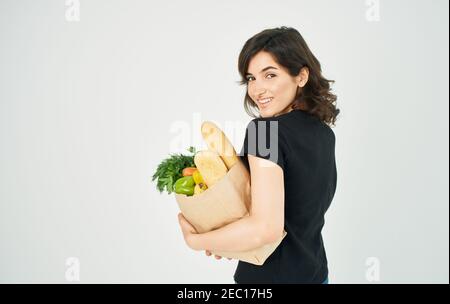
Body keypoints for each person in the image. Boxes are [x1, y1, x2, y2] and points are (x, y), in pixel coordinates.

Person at [178, 26, 339, 284]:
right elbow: (293, 216)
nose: (257, 90)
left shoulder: (264, 132)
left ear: (301, 76)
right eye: (251, 78)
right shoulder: (323, 133)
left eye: (270, 75)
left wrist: (197, 241)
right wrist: (234, 240)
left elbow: (265, 229)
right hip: (317, 275)